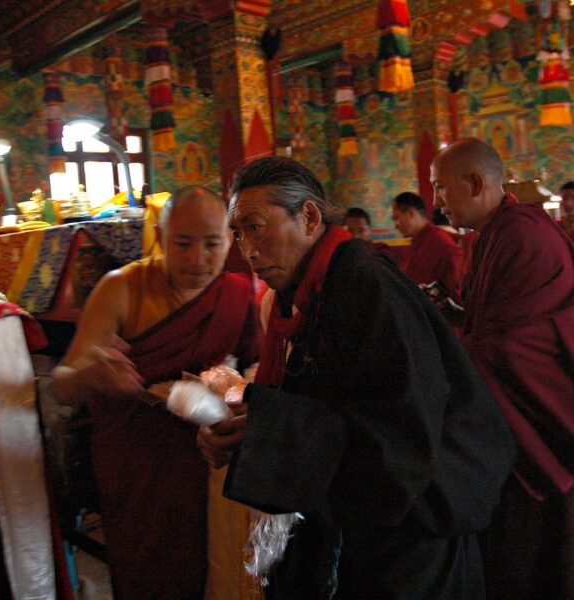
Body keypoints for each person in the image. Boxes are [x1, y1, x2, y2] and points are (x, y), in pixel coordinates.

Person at [196, 156, 515, 599]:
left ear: (308, 217)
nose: (247, 250)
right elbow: (323, 401)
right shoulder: (312, 288)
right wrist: (245, 429)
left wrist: (266, 430)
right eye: (238, 233)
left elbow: (401, 436)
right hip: (365, 529)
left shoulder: (365, 286)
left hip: (413, 538)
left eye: (255, 226)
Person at [51, 186, 262, 600]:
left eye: (213, 244)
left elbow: (258, 367)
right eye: (183, 244)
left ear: (230, 241)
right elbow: (61, 385)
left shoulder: (238, 293)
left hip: (206, 456)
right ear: (162, 239)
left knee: (210, 566)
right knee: (146, 571)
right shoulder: (121, 288)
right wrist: (91, 375)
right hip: (136, 460)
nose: (198, 259)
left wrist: (234, 391)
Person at [430, 137, 574, 599]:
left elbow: (520, 346)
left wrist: (447, 352)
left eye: (440, 189)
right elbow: (492, 323)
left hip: (535, 420)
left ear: (475, 183)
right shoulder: (495, 233)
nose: (436, 203)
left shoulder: (523, 233)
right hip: (506, 414)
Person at [392, 191, 462, 300]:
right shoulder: (418, 240)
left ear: (411, 213)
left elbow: (453, 286)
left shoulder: (439, 240)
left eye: (396, 218)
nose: (396, 225)